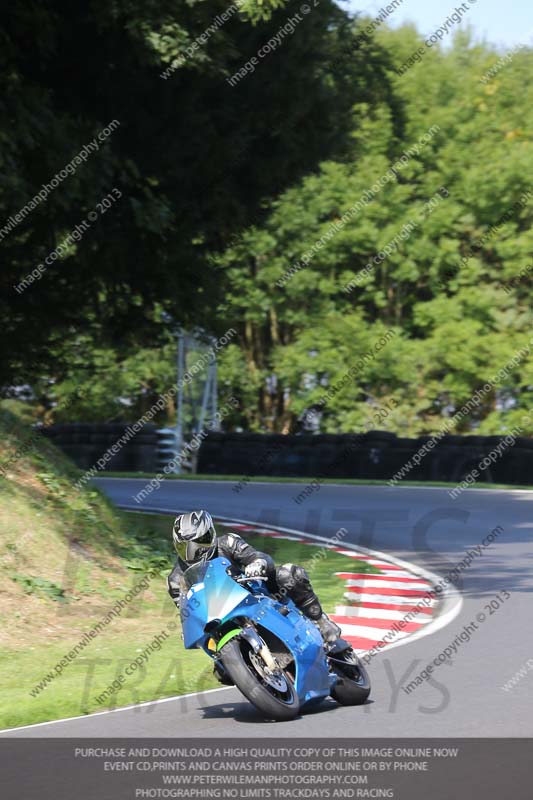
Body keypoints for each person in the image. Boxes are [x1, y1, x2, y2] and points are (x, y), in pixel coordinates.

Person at [167, 510, 341, 644]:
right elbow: (187, 611)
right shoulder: (176, 579)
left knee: (289, 574)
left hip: (254, 594)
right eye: (186, 547)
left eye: (200, 542)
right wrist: (189, 625)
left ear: (211, 534)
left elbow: (259, 556)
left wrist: (257, 563)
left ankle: (320, 620)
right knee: (221, 672)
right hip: (219, 617)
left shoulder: (228, 542)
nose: (195, 551)